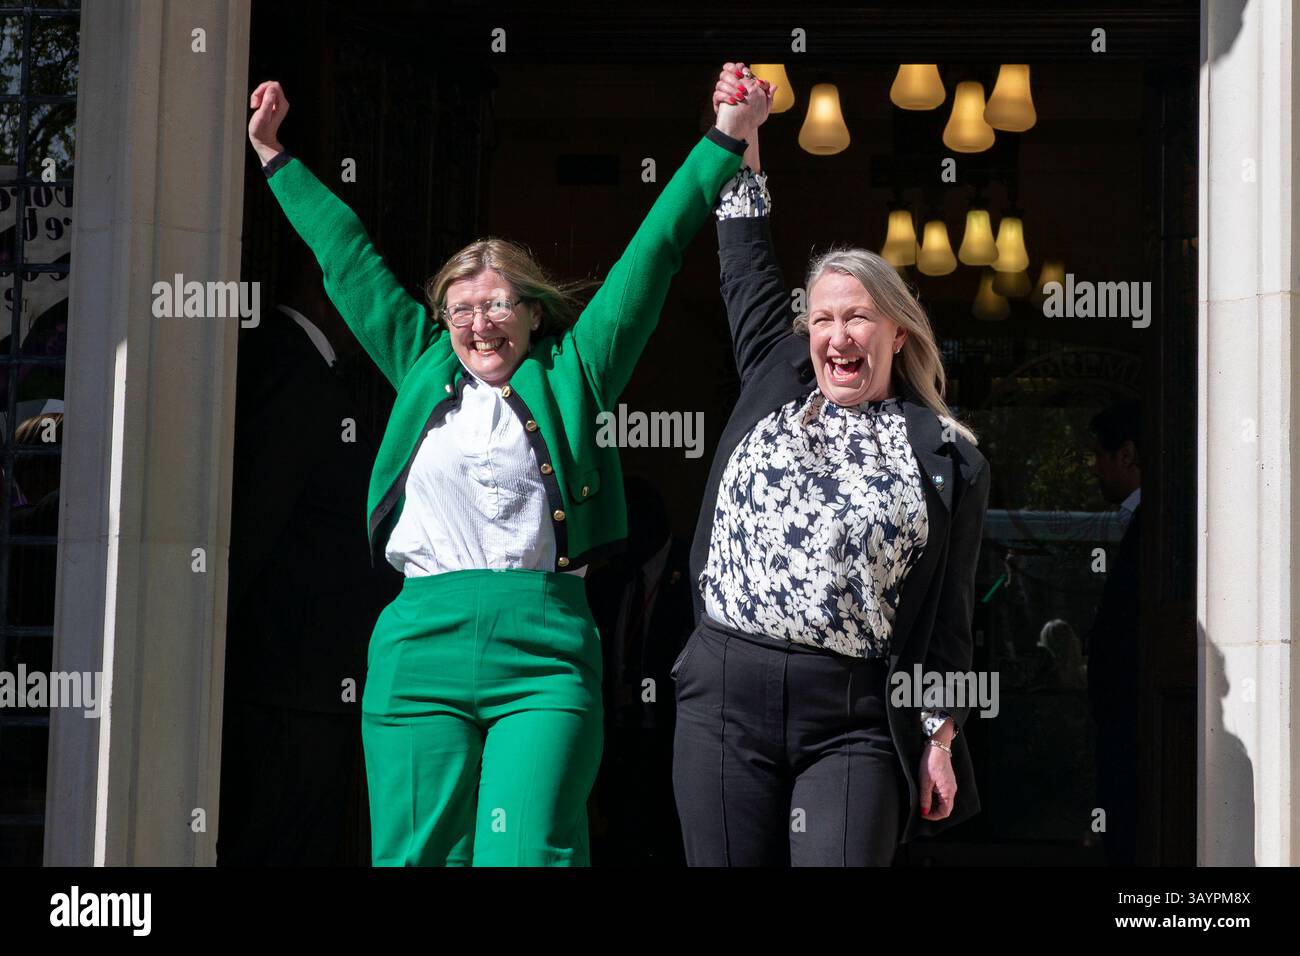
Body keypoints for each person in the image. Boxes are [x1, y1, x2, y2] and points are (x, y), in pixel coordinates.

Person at [246, 71, 769, 866]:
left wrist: (726, 136)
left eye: (497, 306)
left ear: (532, 312)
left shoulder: (578, 371)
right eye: (461, 309)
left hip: (546, 651)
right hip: (419, 646)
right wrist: (272, 155)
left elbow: (653, 253)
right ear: (441, 320)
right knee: (419, 857)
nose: (479, 323)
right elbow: (345, 254)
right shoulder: (417, 364)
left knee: (530, 852)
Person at [670, 65, 992, 866]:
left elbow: (950, 623)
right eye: (822, 319)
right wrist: (741, 132)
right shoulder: (773, 377)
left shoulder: (948, 455)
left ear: (897, 335)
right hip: (723, 694)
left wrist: (941, 735)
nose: (836, 335)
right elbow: (744, 260)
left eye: (857, 317)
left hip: (852, 716)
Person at [1082, 398, 1142, 865]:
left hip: (1132, 718)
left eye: (1099, 457)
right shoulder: (1138, 522)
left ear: (1125, 455)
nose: (1095, 470)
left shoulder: (1152, 527)